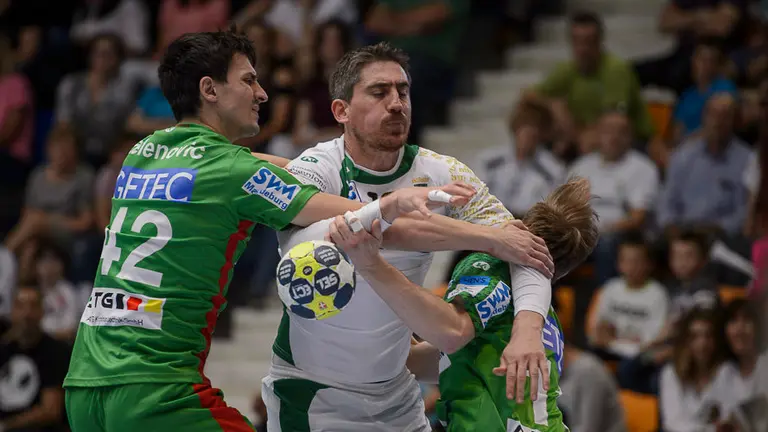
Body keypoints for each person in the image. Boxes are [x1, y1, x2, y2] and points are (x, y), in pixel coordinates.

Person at [62, 29, 483, 432]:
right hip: (154, 390)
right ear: (210, 90)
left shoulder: (143, 151)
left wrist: (309, 166)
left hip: (83, 383)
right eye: (248, 80)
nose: (262, 93)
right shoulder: (235, 171)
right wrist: (487, 237)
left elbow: (246, 169)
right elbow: (361, 222)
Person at [260, 42, 555, 432]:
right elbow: (308, 246)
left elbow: (526, 250)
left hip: (398, 397)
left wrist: (528, 331)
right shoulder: (315, 168)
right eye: (379, 92)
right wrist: (485, 236)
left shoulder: (443, 172)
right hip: (313, 396)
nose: (397, 104)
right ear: (341, 111)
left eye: (403, 91)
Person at [329, 178, 599, 431]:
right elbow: (436, 361)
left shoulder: (491, 268)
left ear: (522, 224)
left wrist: (371, 264)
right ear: (567, 270)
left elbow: (453, 331)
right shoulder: (544, 320)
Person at [0, 286, 71, 432]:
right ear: (12, 311)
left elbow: (50, 411)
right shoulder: (3, 350)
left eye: (33, 306)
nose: (27, 314)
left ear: (42, 312)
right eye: (20, 306)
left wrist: (6, 426)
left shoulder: (56, 352)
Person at [659, 308, 735, 432]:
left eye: (708, 336)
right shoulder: (671, 372)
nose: (702, 343)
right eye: (694, 337)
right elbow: (672, 422)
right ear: (686, 341)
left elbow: (727, 420)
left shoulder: (727, 371)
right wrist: (709, 429)